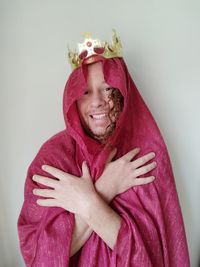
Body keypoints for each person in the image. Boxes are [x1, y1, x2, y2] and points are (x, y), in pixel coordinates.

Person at [18, 30, 190, 266]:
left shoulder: (147, 156)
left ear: (124, 92)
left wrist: (86, 203)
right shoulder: (53, 160)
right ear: (73, 99)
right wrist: (103, 190)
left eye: (107, 88)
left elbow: (148, 259)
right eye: (85, 92)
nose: (97, 101)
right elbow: (40, 258)